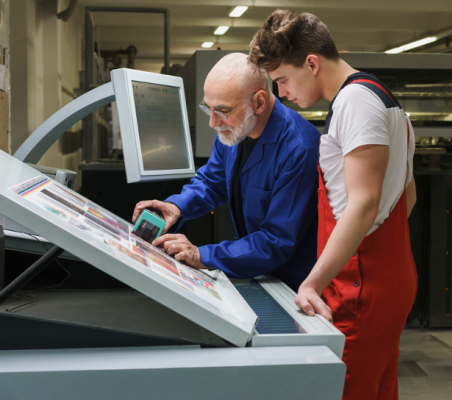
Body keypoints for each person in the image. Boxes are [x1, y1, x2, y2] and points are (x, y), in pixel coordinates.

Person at [248, 10, 418, 400]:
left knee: (346, 390)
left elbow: (363, 205)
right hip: (385, 276)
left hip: (360, 285)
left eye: (283, 80)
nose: (282, 94)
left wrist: (314, 283)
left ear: (311, 63)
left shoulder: (355, 103)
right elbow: (407, 196)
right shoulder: (384, 99)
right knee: (378, 388)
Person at [132, 53, 321, 292]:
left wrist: (202, 255)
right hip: (261, 274)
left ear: (259, 103)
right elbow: (212, 182)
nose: (212, 122)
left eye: (222, 110)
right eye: (208, 108)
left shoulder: (300, 149)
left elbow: (276, 241)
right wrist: (176, 207)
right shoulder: (234, 131)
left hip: (297, 285)